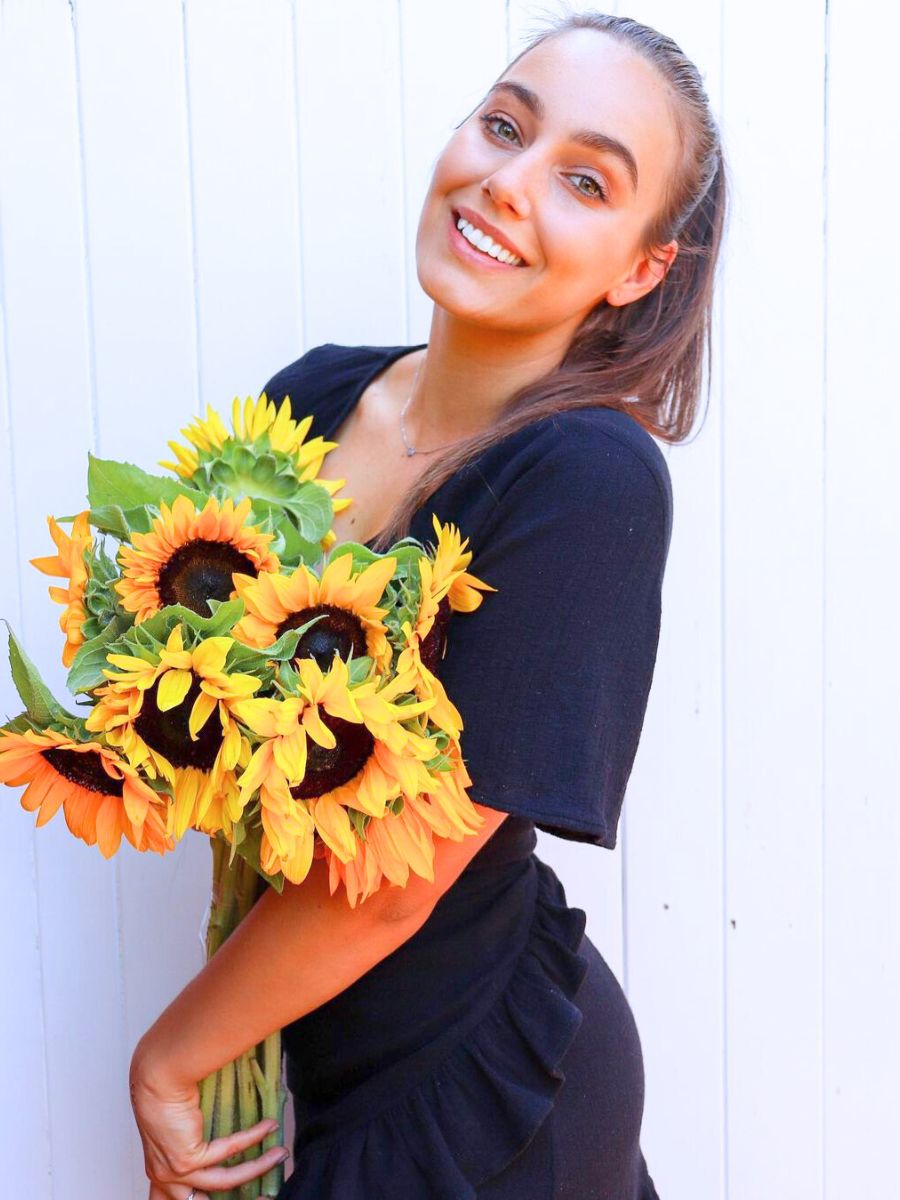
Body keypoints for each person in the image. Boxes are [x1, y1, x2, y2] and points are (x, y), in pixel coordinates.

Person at [129, 11, 728, 1199]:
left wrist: (170, 1057)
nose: (506, 184)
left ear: (639, 268)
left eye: (583, 181)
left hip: (471, 1094)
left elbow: (396, 883)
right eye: (504, 126)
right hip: (300, 1059)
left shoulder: (586, 481)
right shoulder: (310, 398)